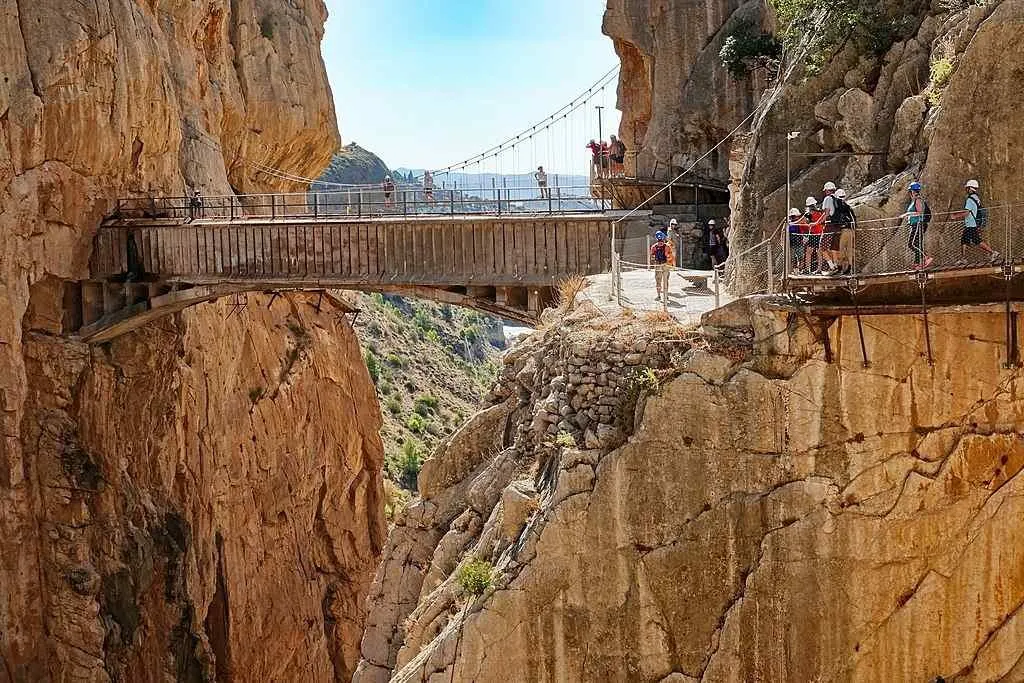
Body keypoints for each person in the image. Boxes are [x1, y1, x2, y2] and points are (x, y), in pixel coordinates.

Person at [955, 179, 999, 264]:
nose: (966, 190)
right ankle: (963, 258)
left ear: (970, 188)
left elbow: (967, 212)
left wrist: (956, 216)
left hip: (971, 224)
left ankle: (993, 252)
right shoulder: (976, 198)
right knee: (964, 240)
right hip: (972, 224)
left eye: (967, 188)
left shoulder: (970, 199)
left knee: (977, 241)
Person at [902, 181, 932, 269]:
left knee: (911, 244)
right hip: (914, 225)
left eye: (910, 191)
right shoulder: (914, 200)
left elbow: (919, 213)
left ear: (912, 191)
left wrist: (907, 215)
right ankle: (917, 264)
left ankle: (926, 257)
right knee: (917, 244)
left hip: (918, 224)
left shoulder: (918, 200)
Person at [833, 188, 858, 275]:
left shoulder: (839, 205)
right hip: (851, 230)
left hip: (844, 230)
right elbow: (853, 218)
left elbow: (837, 216)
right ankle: (849, 268)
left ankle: (840, 268)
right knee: (849, 250)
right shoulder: (848, 206)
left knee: (841, 249)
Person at [818, 181, 840, 275]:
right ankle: (836, 266)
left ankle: (832, 267)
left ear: (827, 191)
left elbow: (826, 213)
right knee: (834, 247)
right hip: (838, 226)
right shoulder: (838, 198)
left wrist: (818, 222)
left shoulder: (827, 198)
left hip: (829, 226)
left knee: (822, 247)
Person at [650, 230, 675, 298]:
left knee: (658, 280)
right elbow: (671, 256)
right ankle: (666, 295)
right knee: (665, 280)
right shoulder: (667, 246)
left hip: (658, 264)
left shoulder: (654, 247)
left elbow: (652, 257)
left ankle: (658, 295)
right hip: (665, 265)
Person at [803, 196, 825, 273]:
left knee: (809, 252)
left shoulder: (809, 213)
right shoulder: (820, 212)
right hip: (821, 233)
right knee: (819, 252)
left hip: (813, 234)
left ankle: (807, 269)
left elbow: (804, 221)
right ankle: (819, 269)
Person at [787, 208, 805, 274]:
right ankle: (797, 270)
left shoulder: (789, 223)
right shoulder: (789, 223)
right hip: (794, 242)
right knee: (796, 258)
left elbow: (802, 231)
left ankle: (799, 270)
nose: (794, 217)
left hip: (795, 242)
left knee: (798, 257)